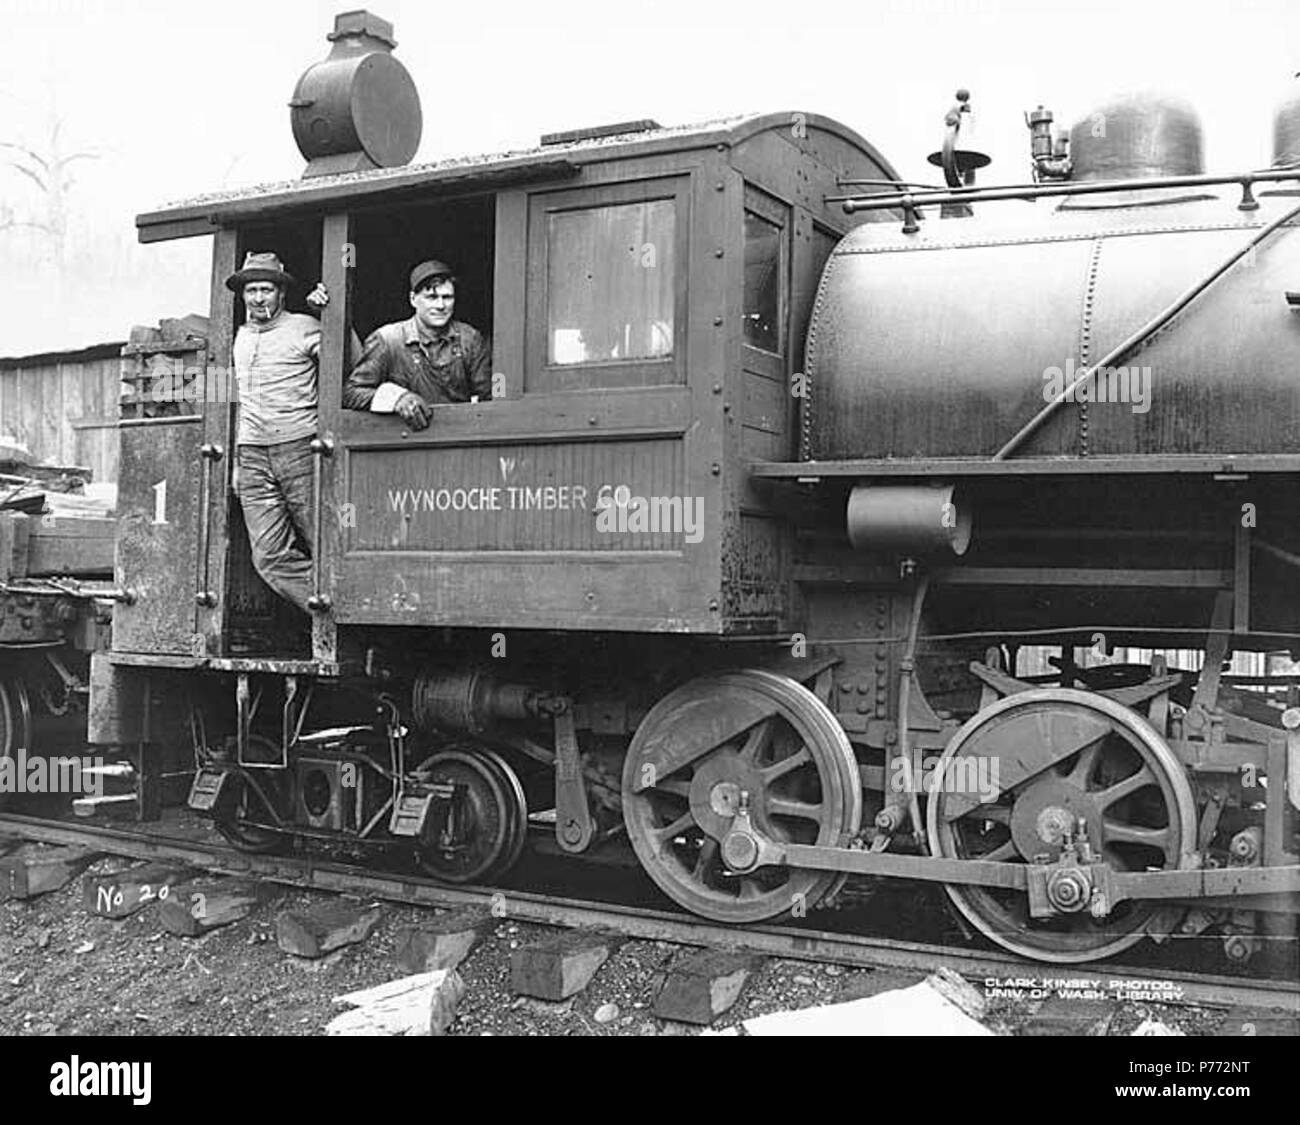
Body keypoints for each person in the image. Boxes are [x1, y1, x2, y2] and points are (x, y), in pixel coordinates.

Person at [227, 251, 328, 615]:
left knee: (328, 544)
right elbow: (230, 402)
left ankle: (353, 617)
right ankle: (330, 607)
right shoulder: (236, 338)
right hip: (252, 455)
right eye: (251, 290)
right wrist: (237, 463)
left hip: (300, 448)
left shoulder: (304, 326)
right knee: (269, 557)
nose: (258, 298)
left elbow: (352, 363)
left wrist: (331, 319)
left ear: (281, 293)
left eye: (265, 289)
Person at [343, 260, 492, 429]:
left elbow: (488, 397)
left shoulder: (469, 338)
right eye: (432, 297)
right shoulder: (388, 340)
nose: (441, 305)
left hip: (458, 435)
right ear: (413, 299)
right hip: (406, 438)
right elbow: (351, 393)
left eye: (447, 297)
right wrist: (398, 398)